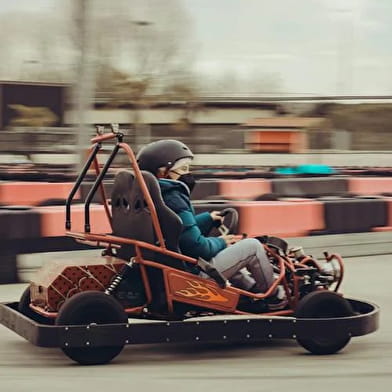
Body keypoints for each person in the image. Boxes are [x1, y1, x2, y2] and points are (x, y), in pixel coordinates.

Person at [136, 139, 287, 310]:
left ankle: (250, 294)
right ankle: (276, 298)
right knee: (252, 246)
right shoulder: (173, 198)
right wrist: (222, 242)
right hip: (190, 276)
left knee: (228, 252)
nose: (188, 174)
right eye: (183, 169)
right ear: (162, 172)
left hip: (168, 268)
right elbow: (197, 247)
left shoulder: (152, 196)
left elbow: (176, 229)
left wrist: (208, 219)